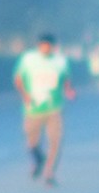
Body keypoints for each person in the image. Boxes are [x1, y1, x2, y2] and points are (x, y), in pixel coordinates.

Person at [13, 34, 71, 184]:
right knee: (31, 142)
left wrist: (68, 90)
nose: (45, 48)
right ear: (39, 46)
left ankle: (49, 172)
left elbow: (65, 79)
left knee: (55, 141)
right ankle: (39, 160)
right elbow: (18, 79)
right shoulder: (28, 59)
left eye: (48, 46)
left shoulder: (60, 61)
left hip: (54, 107)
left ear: (53, 46)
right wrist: (25, 95)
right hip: (33, 109)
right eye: (43, 45)